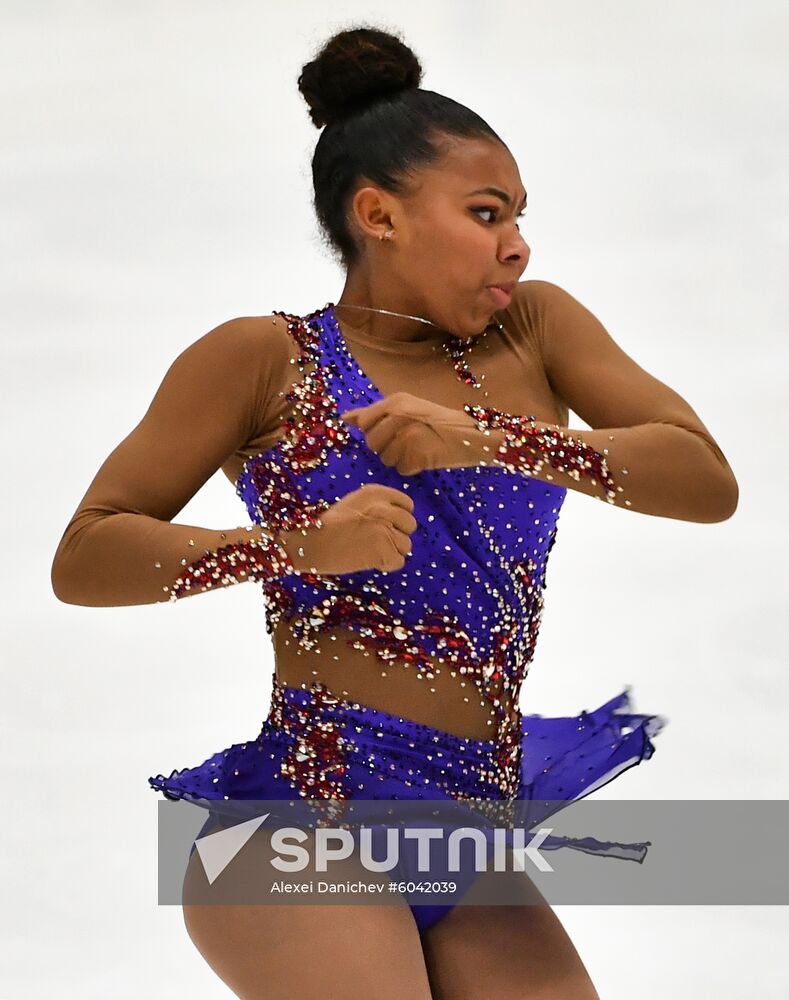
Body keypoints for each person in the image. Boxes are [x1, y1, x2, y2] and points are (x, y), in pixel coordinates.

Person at [50, 24, 739, 1000]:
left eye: (520, 214)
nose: (518, 241)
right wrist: (292, 546)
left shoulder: (537, 330)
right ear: (380, 214)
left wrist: (496, 438)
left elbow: (701, 476)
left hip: (464, 833)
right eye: (487, 212)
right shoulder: (264, 359)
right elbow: (86, 553)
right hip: (296, 818)